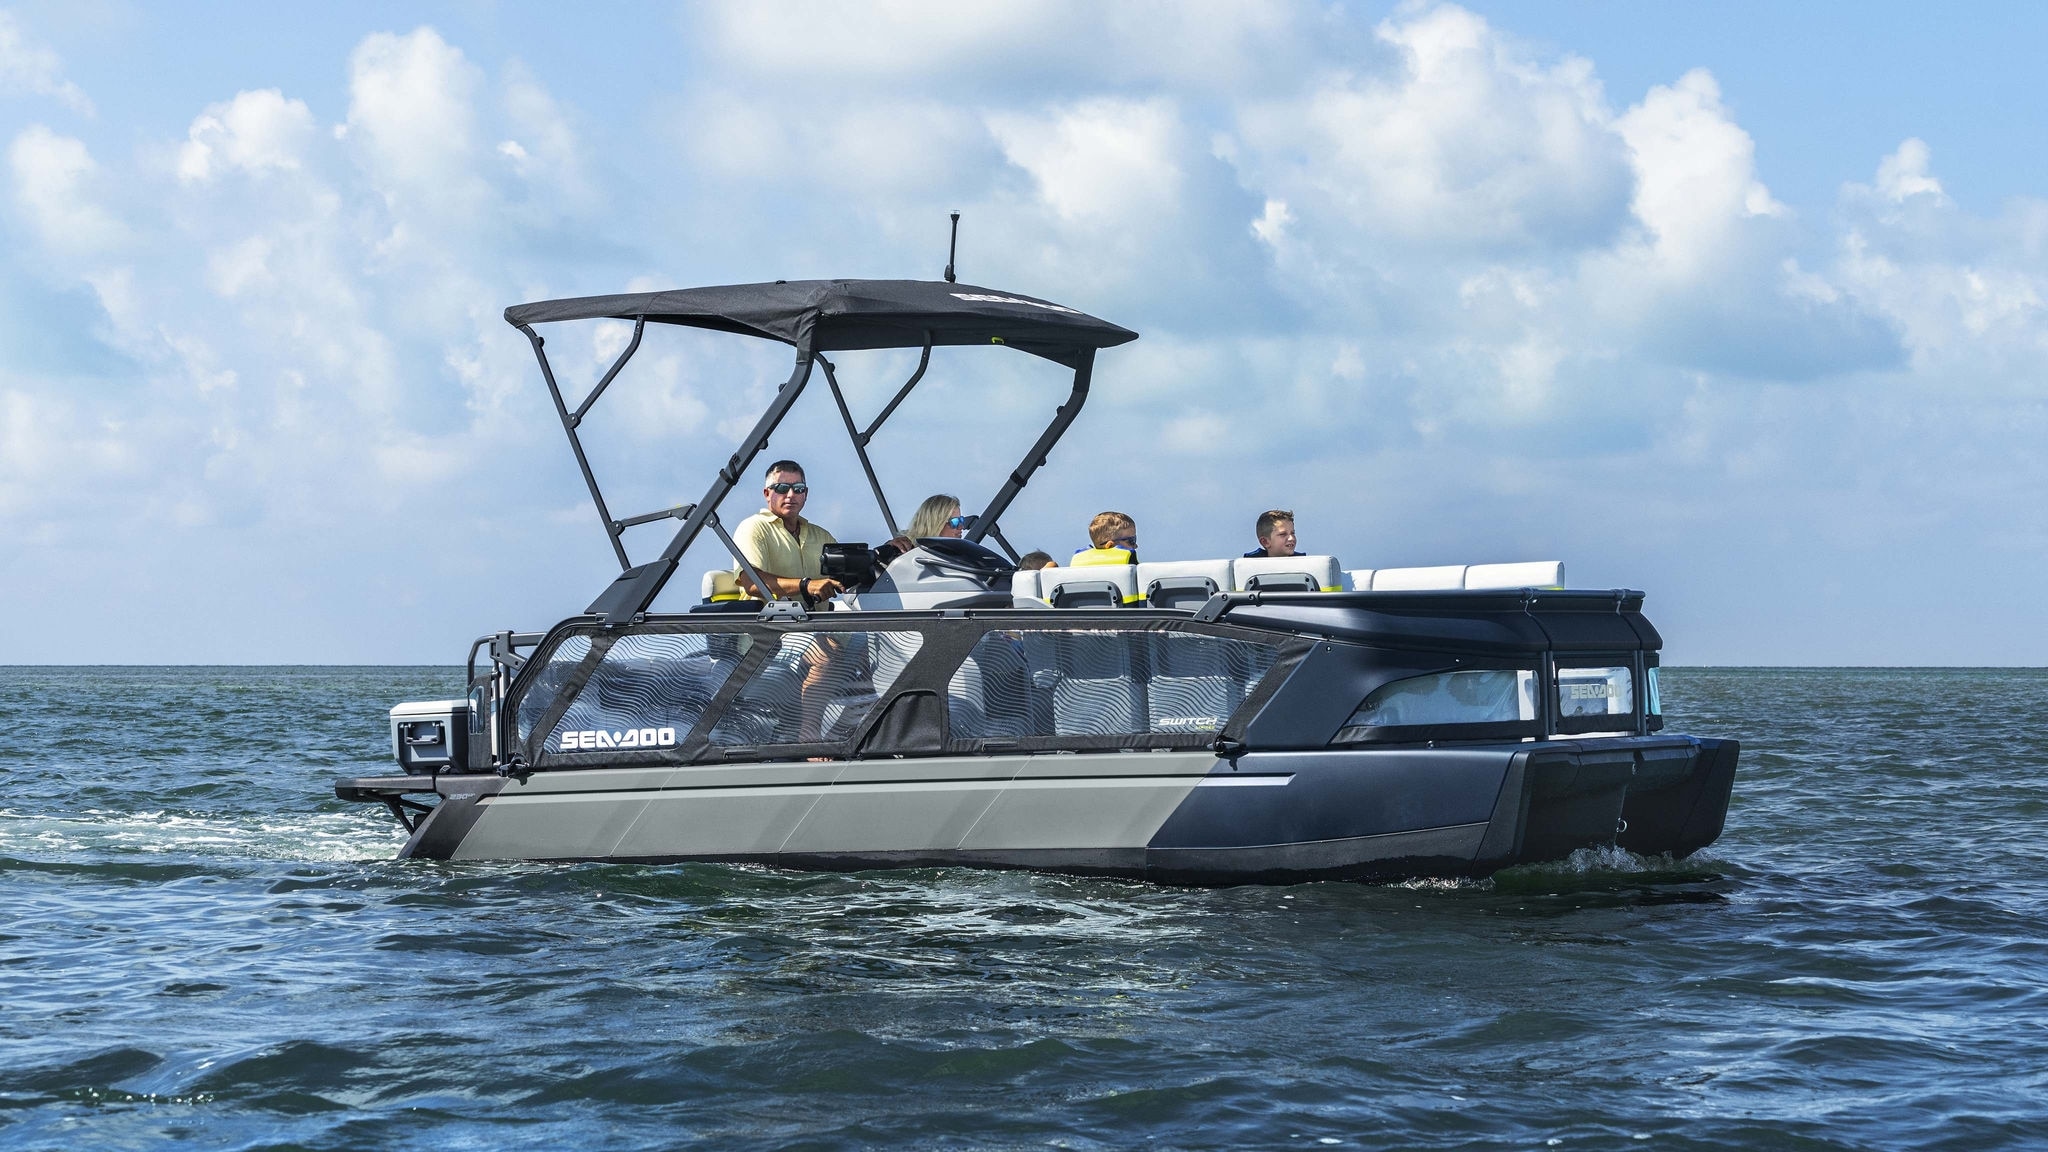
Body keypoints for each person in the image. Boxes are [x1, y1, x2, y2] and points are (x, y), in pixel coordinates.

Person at [732, 460, 842, 605]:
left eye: (798, 488)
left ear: (805, 493)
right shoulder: (753, 527)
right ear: (767, 494)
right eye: (782, 488)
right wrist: (805, 585)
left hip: (817, 626)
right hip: (769, 626)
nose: (790, 495)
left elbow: (846, 576)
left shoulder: (823, 536)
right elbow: (751, 583)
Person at [1072, 511, 1138, 566]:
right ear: (1110, 545)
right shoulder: (1130, 562)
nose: (1136, 545)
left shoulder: (1079, 561)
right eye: (1131, 541)